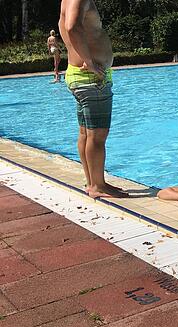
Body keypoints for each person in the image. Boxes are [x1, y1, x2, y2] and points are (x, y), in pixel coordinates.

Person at [59, 0, 127, 198]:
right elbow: (71, 27)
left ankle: (93, 182)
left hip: (81, 76)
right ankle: (98, 186)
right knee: (97, 136)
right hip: (91, 78)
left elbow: (66, 26)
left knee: (86, 134)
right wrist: (88, 61)